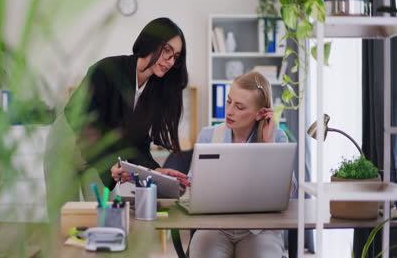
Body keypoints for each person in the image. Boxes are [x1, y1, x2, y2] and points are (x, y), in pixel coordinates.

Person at [44, 17, 190, 222]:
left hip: (102, 151)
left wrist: (155, 171)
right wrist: (110, 165)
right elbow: (86, 123)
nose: (171, 61)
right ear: (150, 42)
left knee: (107, 218)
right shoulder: (107, 69)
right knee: (65, 220)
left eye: (176, 56)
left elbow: (137, 143)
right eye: (167, 50)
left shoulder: (154, 91)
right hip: (68, 141)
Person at [188, 71, 294, 258]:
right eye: (229, 101)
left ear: (260, 113)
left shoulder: (277, 137)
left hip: (261, 230)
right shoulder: (209, 136)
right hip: (214, 228)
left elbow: (287, 192)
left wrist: (269, 145)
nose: (229, 111)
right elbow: (192, 188)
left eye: (240, 107)